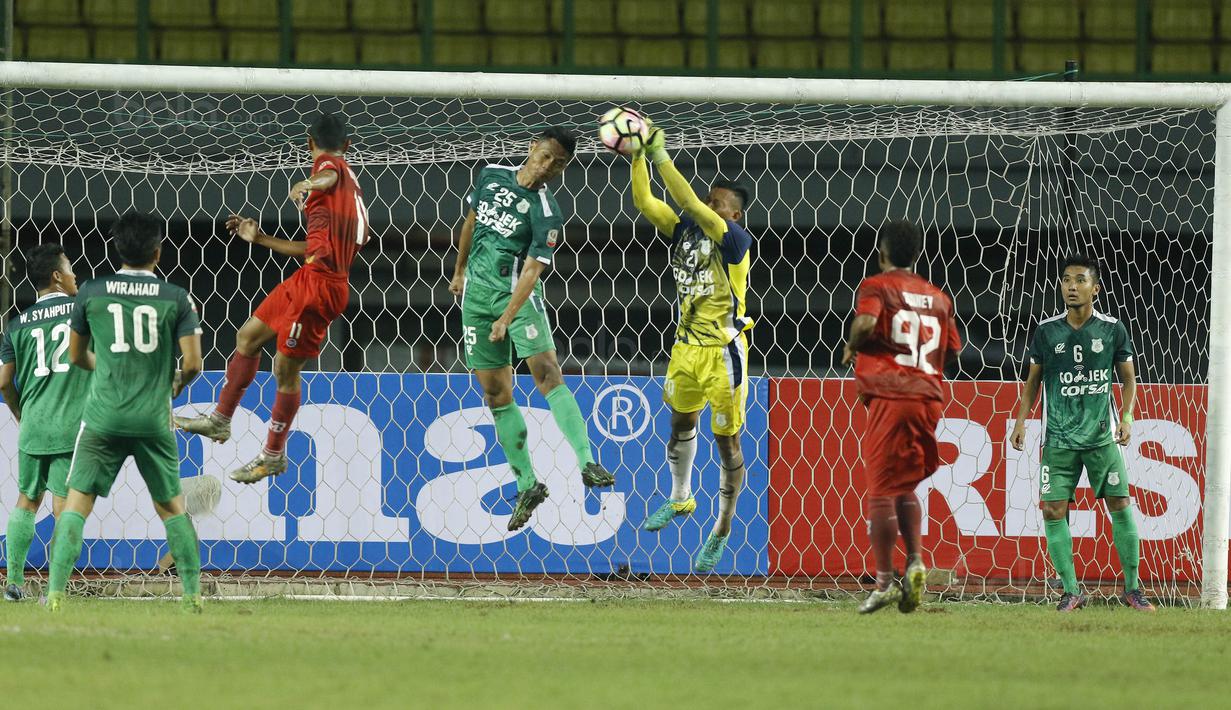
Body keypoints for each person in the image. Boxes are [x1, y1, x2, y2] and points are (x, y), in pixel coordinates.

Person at [176, 112, 369, 484]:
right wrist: (261, 238)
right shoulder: (349, 197)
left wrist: (307, 182)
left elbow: (328, 173)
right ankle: (220, 419)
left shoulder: (333, 170)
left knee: (285, 368)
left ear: (310, 144)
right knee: (247, 337)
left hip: (321, 289)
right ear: (348, 143)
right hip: (310, 275)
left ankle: (273, 454)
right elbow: (314, 249)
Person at [448, 126, 615, 533]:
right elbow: (470, 222)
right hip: (476, 300)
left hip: (517, 298)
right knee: (495, 393)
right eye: (545, 157)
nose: (548, 168)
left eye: (559, 165)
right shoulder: (490, 175)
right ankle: (527, 484)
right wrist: (459, 269)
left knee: (546, 373)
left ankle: (587, 461)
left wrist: (507, 316)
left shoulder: (546, 212)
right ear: (530, 149)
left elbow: (533, 269)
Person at [47, 212, 204, 612]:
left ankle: (54, 596)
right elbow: (194, 364)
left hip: (103, 417)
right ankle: (191, 596)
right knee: (172, 507)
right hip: (152, 419)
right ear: (157, 251)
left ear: (117, 248)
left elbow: (75, 354)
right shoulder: (176, 296)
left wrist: (110, 368)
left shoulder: (91, 293)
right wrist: (175, 385)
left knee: (77, 503)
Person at [628, 117, 754, 572]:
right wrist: (638, 154)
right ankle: (680, 499)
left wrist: (659, 150)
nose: (704, 204)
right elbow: (645, 201)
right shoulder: (685, 231)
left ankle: (721, 528)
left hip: (724, 354)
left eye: (715, 202)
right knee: (681, 422)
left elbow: (684, 200)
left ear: (733, 214)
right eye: (706, 198)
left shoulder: (735, 240)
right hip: (685, 349)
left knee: (727, 444)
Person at [1009, 254, 1153, 612]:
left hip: (1102, 438)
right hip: (1057, 439)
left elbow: (1129, 378)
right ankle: (1072, 591)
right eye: (1067, 280)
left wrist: (1128, 416)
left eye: (1080, 280)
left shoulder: (1112, 329)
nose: (1072, 287)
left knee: (1120, 504)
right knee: (1053, 509)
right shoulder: (1046, 331)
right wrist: (1021, 419)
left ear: (1095, 288)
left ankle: (1133, 589)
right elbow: (1033, 382)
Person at [842, 220, 961, 614]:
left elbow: (866, 323)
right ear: (918, 255)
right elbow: (954, 349)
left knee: (878, 489)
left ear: (882, 251)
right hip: (928, 398)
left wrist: (851, 346)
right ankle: (915, 560)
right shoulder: (940, 298)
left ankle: (883, 582)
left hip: (891, 395)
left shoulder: (877, 285)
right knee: (902, 482)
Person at [0, 244, 90, 601]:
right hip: (72, 424)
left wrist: (21, 412)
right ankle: (55, 592)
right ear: (56, 275)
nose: (74, 275)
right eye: (69, 269)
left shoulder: (17, 324)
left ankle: (14, 583)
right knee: (64, 506)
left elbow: (5, 381)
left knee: (26, 499)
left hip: (34, 423)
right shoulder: (83, 309)